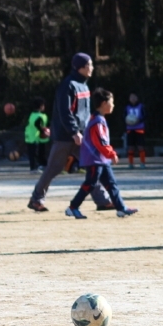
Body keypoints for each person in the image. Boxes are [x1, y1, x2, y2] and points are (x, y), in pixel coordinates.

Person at [28, 53, 112, 212]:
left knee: (93, 166)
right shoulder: (68, 85)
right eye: (89, 65)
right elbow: (65, 112)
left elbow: (85, 114)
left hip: (81, 136)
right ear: (80, 67)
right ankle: (36, 199)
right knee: (53, 168)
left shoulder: (84, 85)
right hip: (65, 137)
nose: (92, 68)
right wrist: (74, 132)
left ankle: (103, 201)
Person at [65, 89, 138, 219]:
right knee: (90, 183)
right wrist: (111, 154)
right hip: (95, 160)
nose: (113, 105)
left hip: (101, 160)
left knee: (111, 183)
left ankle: (121, 208)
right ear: (104, 103)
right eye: (111, 102)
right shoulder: (97, 121)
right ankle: (73, 207)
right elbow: (101, 142)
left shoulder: (98, 119)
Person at [25, 97, 50, 171]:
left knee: (38, 153)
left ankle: (41, 165)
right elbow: (37, 124)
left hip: (34, 137)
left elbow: (46, 124)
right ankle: (35, 167)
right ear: (41, 106)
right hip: (34, 137)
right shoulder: (39, 116)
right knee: (36, 153)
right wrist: (44, 132)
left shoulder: (32, 115)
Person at [125, 92, 148, 168]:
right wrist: (127, 121)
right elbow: (123, 116)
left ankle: (142, 163)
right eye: (131, 97)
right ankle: (131, 163)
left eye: (134, 97)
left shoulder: (141, 106)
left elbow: (145, 116)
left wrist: (139, 120)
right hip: (130, 129)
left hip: (139, 128)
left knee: (141, 146)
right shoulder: (127, 107)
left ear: (137, 98)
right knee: (130, 147)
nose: (133, 99)